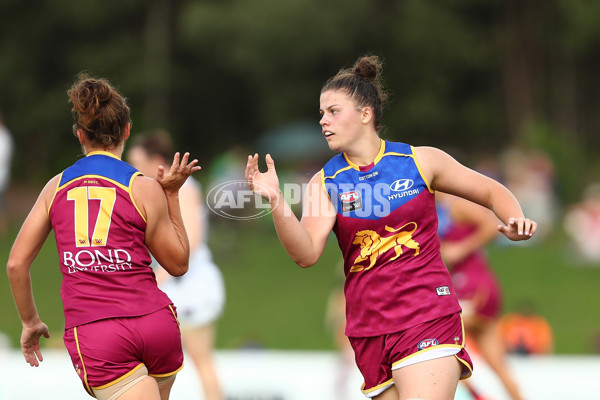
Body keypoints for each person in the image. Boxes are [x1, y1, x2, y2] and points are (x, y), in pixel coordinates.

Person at [245, 55, 537, 400]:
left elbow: (490, 191)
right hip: (369, 328)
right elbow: (306, 253)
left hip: (427, 312)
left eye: (333, 111)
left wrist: (514, 216)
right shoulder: (325, 182)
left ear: (365, 114)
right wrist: (277, 202)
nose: (323, 121)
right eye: (321, 114)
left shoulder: (419, 161)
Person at [6, 73, 200, 400]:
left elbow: (15, 264)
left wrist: (30, 322)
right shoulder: (144, 187)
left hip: (99, 334)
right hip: (156, 325)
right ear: (126, 130)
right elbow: (179, 264)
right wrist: (171, 196)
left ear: (81, 135)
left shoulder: (56, 187)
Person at [127, 130, 226, 400]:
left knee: (201, 360)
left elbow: (190, 242)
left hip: (191, 286)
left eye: (136, 161)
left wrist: (158, 277)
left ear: (156, 160)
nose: (133, 168)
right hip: (173, 285)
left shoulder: (185, 189)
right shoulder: (152, 191)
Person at [436, 192, 523, 400]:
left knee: (439, 340)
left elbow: (490, 225)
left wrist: (460, 249)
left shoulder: (456, 206)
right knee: (497, 364)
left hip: (474, 287)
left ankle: (478, 396)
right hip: (474, 286)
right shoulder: (438, 209)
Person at [0, 112, 14, 237]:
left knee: (1, 205)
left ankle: (2, 230)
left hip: (1, 176)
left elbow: (3, 157)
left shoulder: (4, 137)